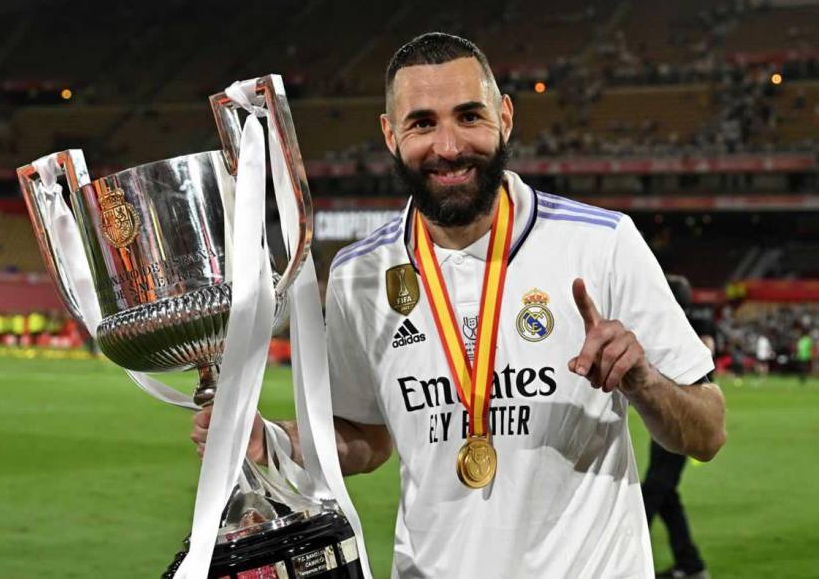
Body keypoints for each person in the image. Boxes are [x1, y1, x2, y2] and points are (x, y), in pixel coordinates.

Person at [192, 33, 727, 578]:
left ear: (506, 117)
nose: (448, 146)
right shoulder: (360, 275)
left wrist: (645, 382)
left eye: (469, 116)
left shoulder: (602, 242)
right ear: (389, 135)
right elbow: (366, 438)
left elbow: (707, 432)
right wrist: (275, 442)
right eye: (422, 122)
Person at [642, 275, 713, 579]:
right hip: (678, 413)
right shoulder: (698, 325)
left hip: (683, 416)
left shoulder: (677, 326)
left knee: (655, 489)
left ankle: (628, 555)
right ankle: (691, 563)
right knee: (666, 491)